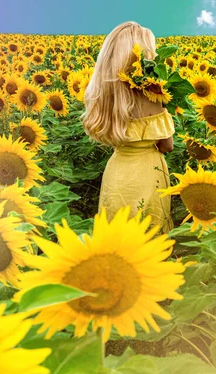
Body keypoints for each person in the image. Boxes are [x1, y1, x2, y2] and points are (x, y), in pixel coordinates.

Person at [81, 21, 174, 233]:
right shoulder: (153, 97)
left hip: (117, 174)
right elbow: (167, 146)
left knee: (116, 234)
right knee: (150, 239)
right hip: (149, 174)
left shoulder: (105, 97)